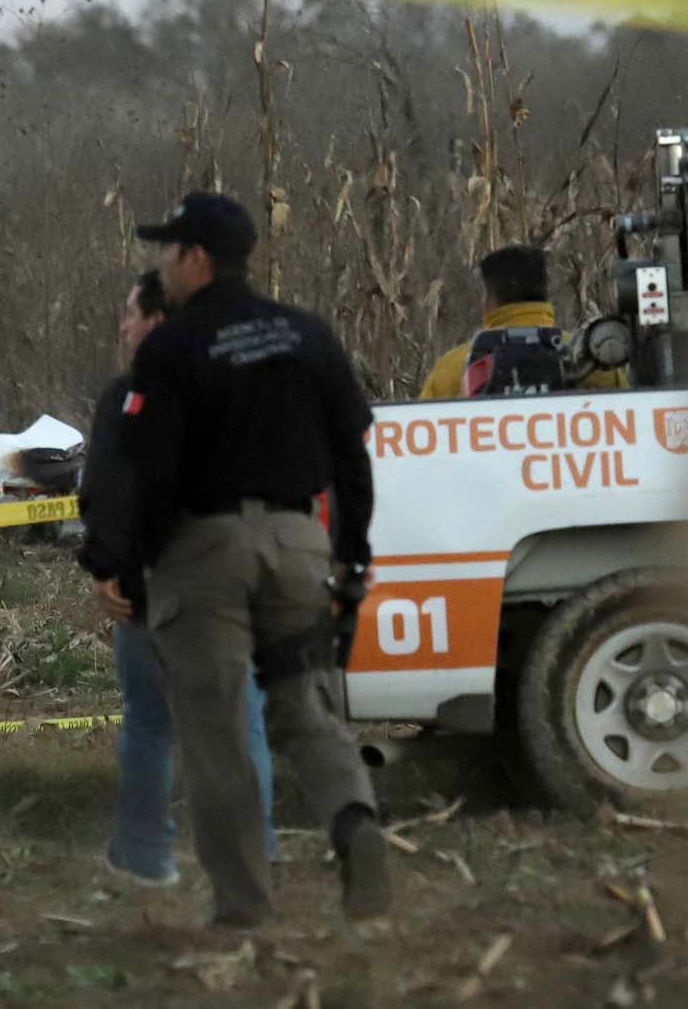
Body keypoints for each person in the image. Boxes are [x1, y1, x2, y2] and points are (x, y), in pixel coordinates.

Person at [123, 191, 389, 928]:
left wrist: (144, 563)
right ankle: (354, 821)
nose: (161, 265)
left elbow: (153, 474)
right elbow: (351, 459)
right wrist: (352, 557)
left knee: (218, 738)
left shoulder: (170, 348)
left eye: (168, 250)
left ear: (197, 258)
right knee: (306, 704)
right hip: (299, 543)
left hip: (205, 552)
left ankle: (246, 906)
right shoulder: (308, 334)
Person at [79, 268, 277, 887]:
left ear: (159, 320)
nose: (123, 325)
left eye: (131, 313)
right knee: (240, 725)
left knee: (149, 724)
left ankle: (143, 857)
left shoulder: (129, 396)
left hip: (155, 592)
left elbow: (109, 486)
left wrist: (108, 566)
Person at [419, 244, 626, 399]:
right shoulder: (591, 362)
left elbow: (422, 444)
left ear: (491, 298)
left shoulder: (453, 369)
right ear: (544, 295)